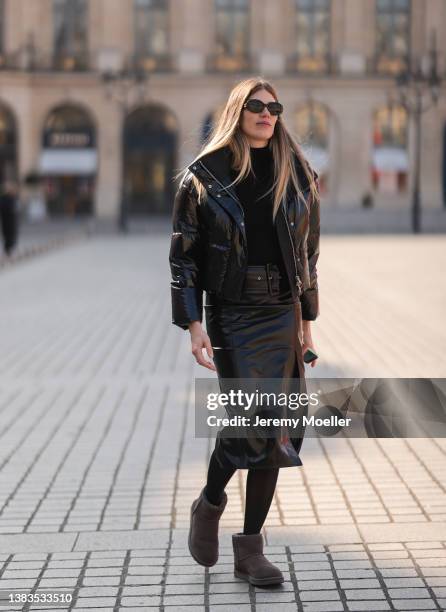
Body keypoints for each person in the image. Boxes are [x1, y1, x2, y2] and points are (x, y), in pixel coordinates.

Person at [169, 77, 320, 586]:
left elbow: (308, 257)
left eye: (274, 106)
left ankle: (250, 549)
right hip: (232, 313)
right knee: (246, 423)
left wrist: (307, 327)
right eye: (256, 105)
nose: (266, 113)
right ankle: (210, 503)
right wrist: (193, 325)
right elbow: (183, 259)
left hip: (281, 311)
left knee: (276, 432)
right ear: (238, 110)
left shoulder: (296, 173)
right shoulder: (203, 177)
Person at [0, 180, 19, 256]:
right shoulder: (3, 198)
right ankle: (7, 249)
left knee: (12, 234)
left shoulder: (12, 197)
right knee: (7, 234)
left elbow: (15, 207)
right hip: (6, 219)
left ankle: (10, 248)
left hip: (12, 219)